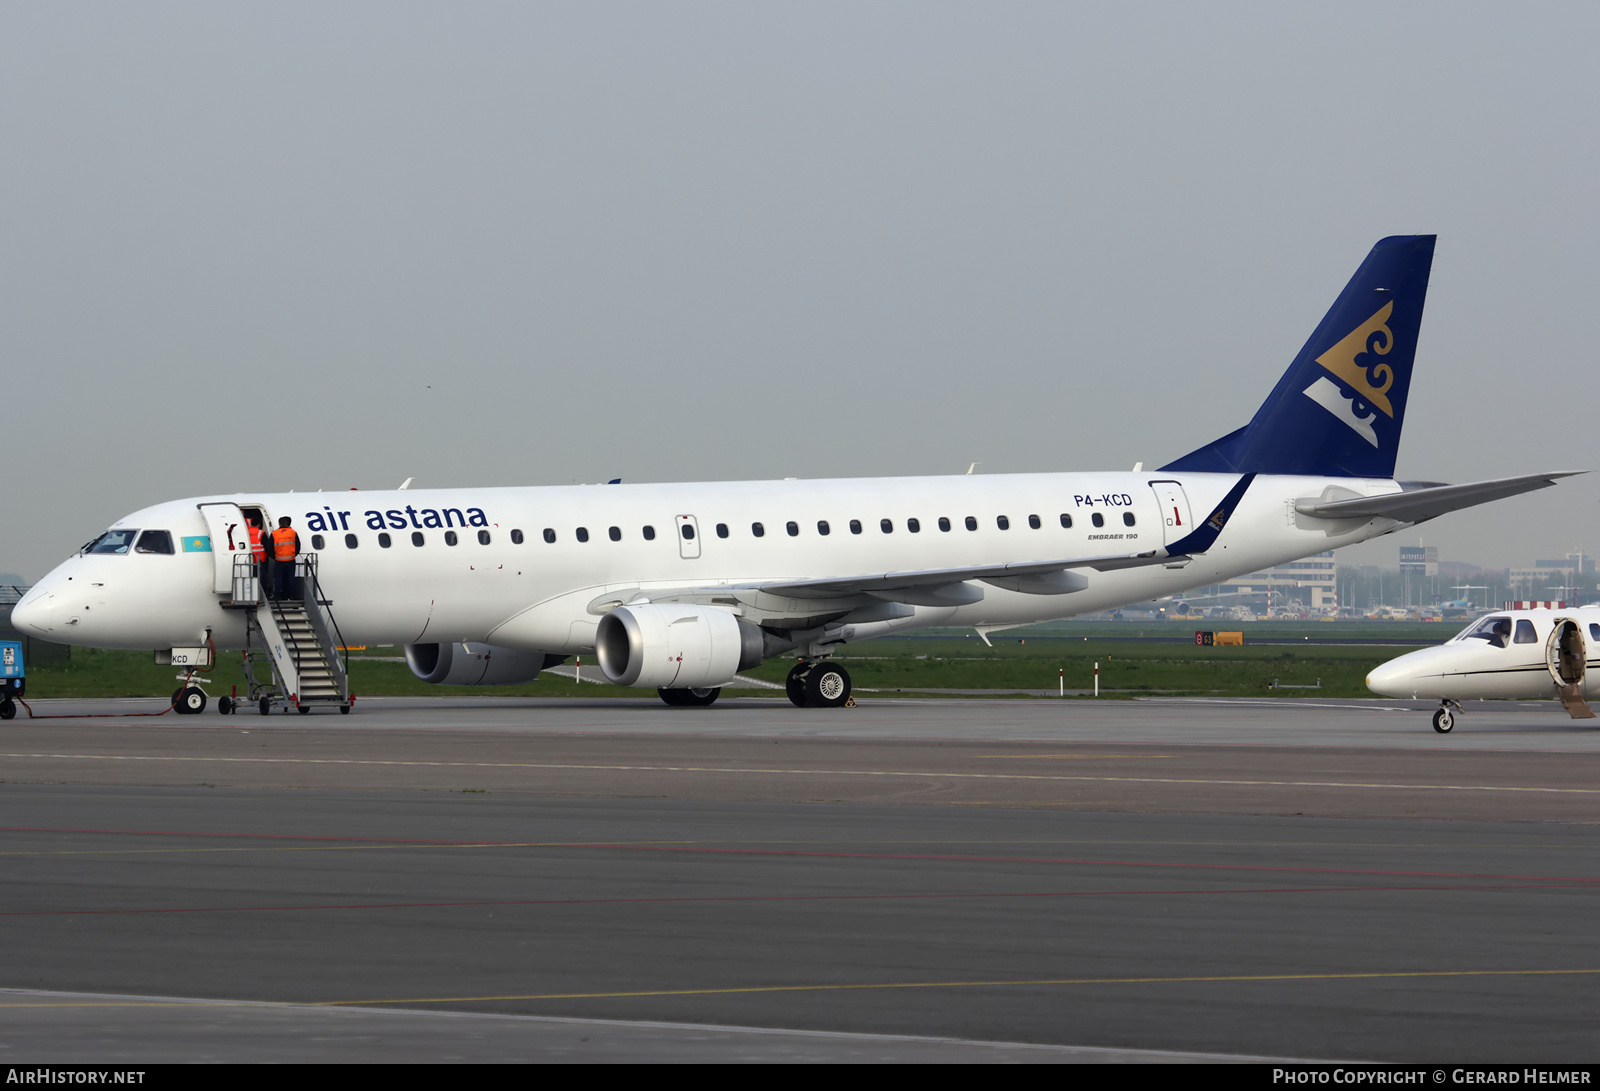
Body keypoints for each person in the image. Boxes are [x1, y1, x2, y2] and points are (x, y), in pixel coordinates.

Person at [271, 516, 300, 602]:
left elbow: (269, 547)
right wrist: (293, 555)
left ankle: (277, 596)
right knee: (291, 578)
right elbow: (298, 546)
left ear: (279, 523)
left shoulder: (274, 533)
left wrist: (275, 556)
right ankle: (292, 596)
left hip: (279, 560)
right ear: (288, 523)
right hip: (290, 560)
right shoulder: (293, 533)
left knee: (278, 578)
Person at [247, 514, 269, 600]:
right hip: (261, 558)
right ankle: (262, 594)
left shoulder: (246, 532)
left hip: (250, 559)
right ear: (259, 524)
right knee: (262, 577)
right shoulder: (261, 532)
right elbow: (267, 546)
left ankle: (252, 593)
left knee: (252, 576)